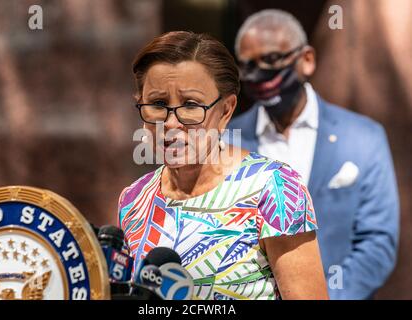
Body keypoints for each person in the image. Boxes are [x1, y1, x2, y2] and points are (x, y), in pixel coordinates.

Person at [117, 30, 328, 300]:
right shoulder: (133, 199)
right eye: (158, 104)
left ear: (226, 110)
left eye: (191, 105)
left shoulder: (275, 187)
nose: (170, 123)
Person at [228, 9, 399, 299]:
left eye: (271, 60)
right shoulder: (226, 141)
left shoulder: (363, 137)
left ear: (306, 59)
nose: (260, 74)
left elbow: (377, 242)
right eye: (248, 66)